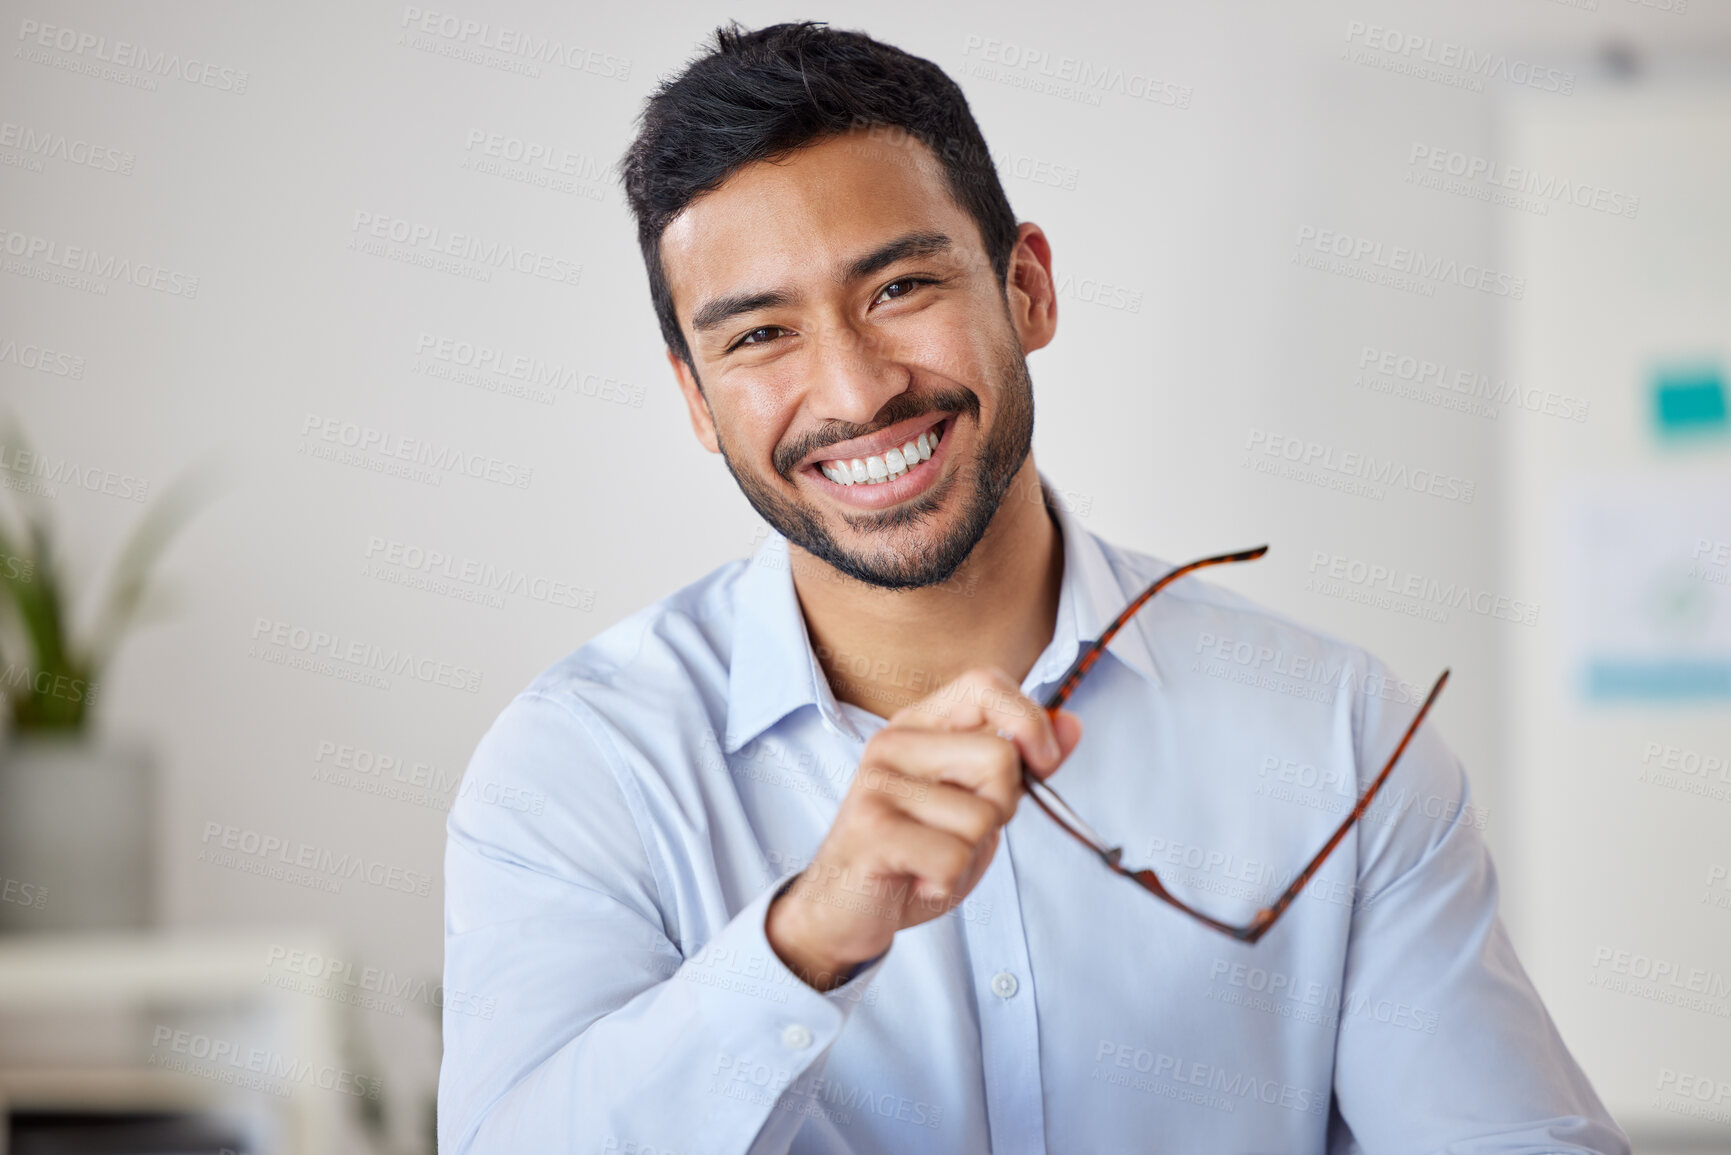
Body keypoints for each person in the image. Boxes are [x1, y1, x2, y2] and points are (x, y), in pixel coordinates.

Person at [438, 21, 1627, 1154]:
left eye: (900, 289)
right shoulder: (576, 768)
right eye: (758, 338)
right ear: (696, 400)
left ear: (1028, 290)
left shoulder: (1333, 733)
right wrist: (798, 948)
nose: (854, 394)